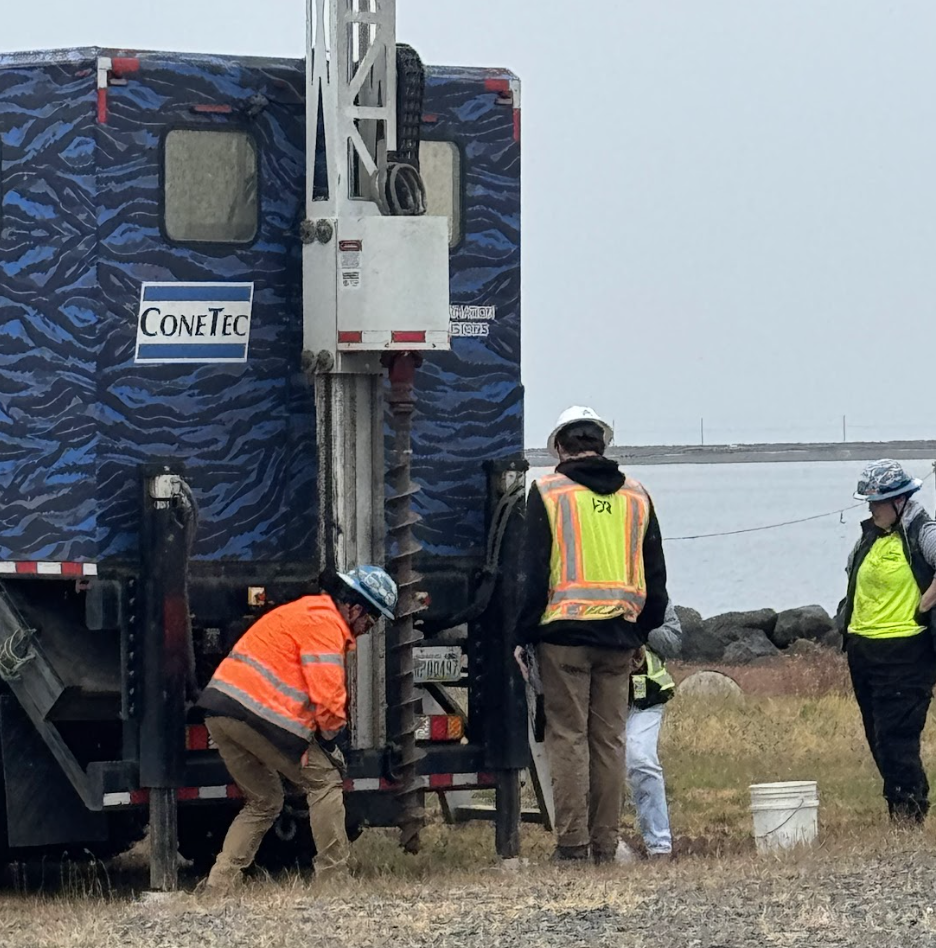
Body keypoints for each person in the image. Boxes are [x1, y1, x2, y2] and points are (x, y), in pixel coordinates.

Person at [515, 406, 668, 865]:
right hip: (620, 638)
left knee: (567, 738)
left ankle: (572, 846)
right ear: (602, 445)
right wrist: (640, 629)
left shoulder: (547, 491)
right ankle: (605, 845)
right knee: (609, 741)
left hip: (562, 637)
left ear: (560, 447)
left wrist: (522, 635)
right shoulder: (638, 496)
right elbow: (656, 579)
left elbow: (531, 572)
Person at [196, 565, 398, 891]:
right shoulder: (326, 624)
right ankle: (334, 882)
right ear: (356, 607)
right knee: (325, 780)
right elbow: (328, 695)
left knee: (265, 801)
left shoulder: (306, 611)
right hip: (258, 712)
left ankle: (219, 884)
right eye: (370, 622)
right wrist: (332, 740)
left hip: (220, 711)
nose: (366, 630)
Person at [837, 460, 936, 823]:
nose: (869, 508)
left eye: (875, 502)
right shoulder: (872, 535)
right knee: (877, 735)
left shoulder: (922, 531)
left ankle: (910, 810)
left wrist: (923, 605)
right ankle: (898, 805)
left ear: (899, 502)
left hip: (906, 653)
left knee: (898, 735)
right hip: (865, 652)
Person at [626, 600, 680, 860]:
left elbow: (673, 642)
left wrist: (641, 627)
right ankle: (598, 843)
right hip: (599, 696)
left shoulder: (655, 594)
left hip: (645, 700)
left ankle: (659, 846)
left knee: (640, 758)